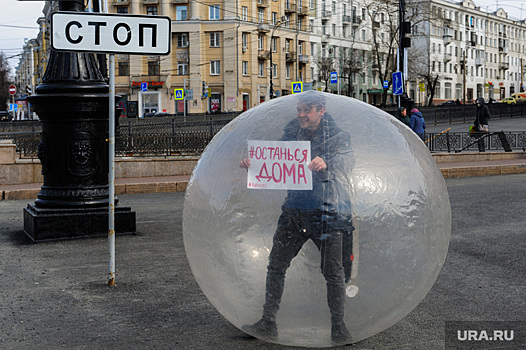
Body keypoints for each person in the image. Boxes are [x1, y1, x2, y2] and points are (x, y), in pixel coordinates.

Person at [240, 92, 354, 344]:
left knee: (333, 272)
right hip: (294, 211)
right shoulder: (292, 134)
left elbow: (347, 162)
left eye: (307, 110)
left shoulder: (337, 136)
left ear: (321, 110)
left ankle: (338, 327)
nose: (301, 115)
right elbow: (277, 159)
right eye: (299, 110)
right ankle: (268, 322)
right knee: (276, 265)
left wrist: (328, 162)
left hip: (328, 213)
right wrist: (254, 164)